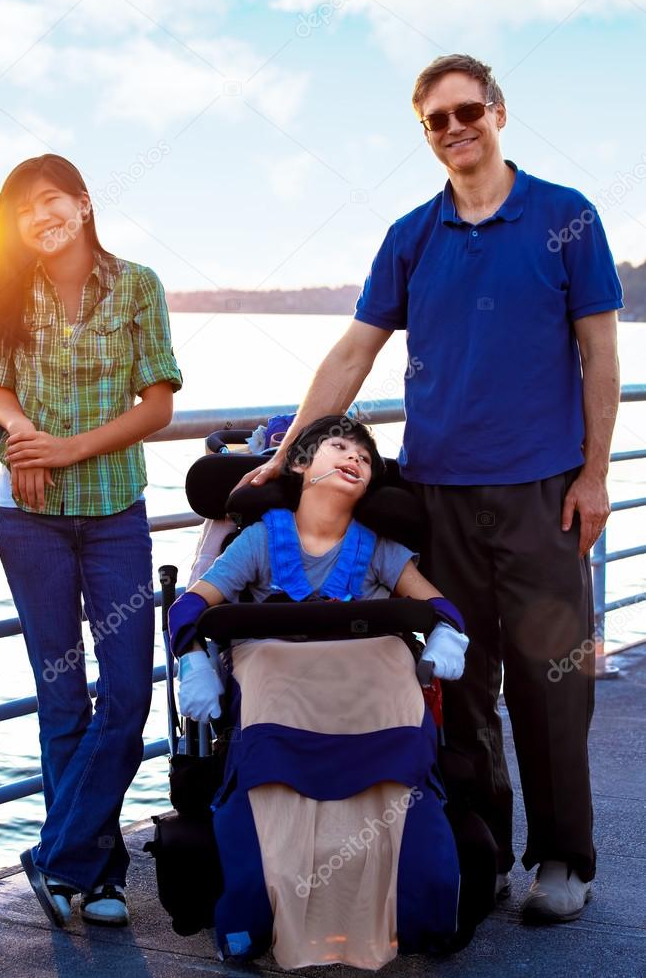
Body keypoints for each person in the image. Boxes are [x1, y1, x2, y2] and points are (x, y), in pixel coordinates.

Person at [245, 55, 623, 924]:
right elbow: (353, 351)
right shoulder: (411, 235)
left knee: (552, 681)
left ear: (497, 110)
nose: (454, 129)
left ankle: (564, 856)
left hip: (543, 492)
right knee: (457, 680)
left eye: (466, 112)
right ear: (426, 134)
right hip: (439, 495)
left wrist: (596, 474)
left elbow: (600, 352)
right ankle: (481, 847)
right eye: (435, 121)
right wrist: (292, 453)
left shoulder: (567, 217)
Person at [168, 416, 483, 969]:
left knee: (392, 662)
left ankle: (416, 900)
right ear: (298, 464)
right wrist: (193, 657)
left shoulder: (380, 549)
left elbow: (441, 607)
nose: (354, 458)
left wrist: (447, 635)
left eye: (364, 457)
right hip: (277, 676)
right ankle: (259, 902)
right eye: (339, 447)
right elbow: (193, 604)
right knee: (263, 670)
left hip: (368, 684)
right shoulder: (261, 539)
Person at [0, 154, 182, 928]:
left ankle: (54, 855)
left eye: (52, 201)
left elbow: (157, 405)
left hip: (114, 509)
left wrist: (68, 448)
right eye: (25, 209)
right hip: (30, 520)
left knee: (126, 693)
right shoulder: (8, 291)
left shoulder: (137, 286)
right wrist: (24, 432)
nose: (41, 218)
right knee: (61, 698)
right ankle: (92, 878)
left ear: (84, 203)